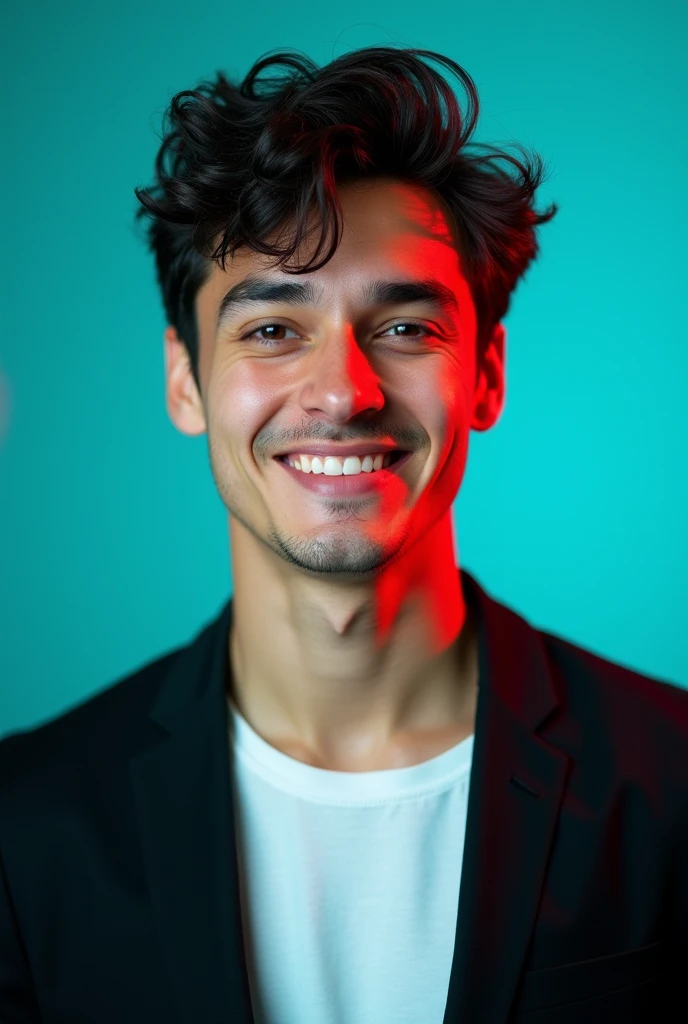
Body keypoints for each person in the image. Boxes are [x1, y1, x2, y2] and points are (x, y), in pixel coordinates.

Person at [0, 46, 686, 1024]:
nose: (343, 391)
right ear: (185, 381)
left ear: (486, 374)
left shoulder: (669, 786)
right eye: (272, 330)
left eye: (405, 327)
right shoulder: (28, 832)